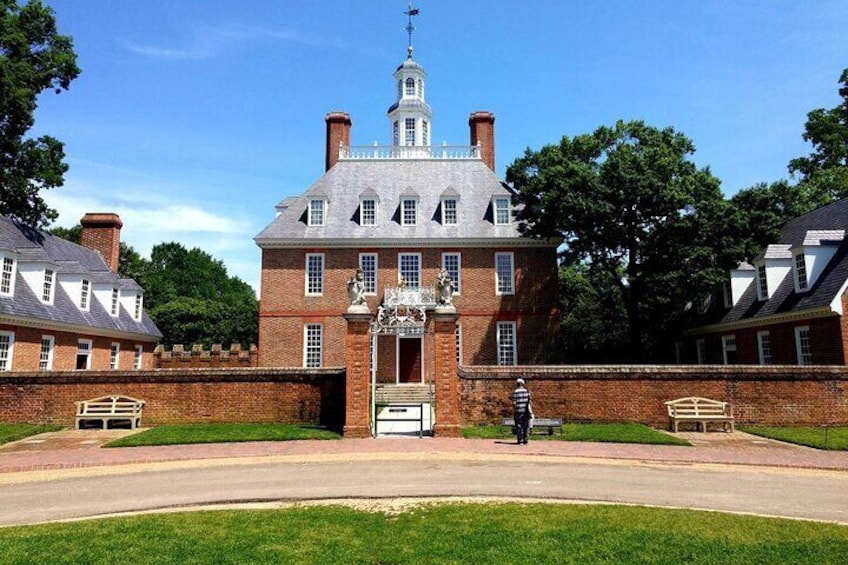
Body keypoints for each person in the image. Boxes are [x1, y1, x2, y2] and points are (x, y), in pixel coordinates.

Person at [510, 378, 532, 445]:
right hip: (526, 411)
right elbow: (530, 402)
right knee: (526, 425)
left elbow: (514, 403)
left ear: (517, 384)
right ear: (523, 384)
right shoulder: (527, 392)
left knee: (519, 425)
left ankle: (520, 440)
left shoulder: (515, 392)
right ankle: (525, 439)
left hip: (518, 411)